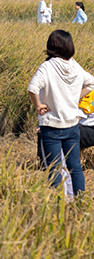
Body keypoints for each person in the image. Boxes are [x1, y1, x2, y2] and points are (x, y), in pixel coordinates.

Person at [28, 30, 94, 196]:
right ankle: (79, 200)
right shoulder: (75, 66)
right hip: (72, 125)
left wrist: (38, 105)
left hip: (51, 125)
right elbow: (91, 83)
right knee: (75, 167)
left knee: (54, 168)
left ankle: (60, 202)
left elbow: (32, 87)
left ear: (51, 45)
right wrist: (75, 97)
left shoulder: (47, 66)